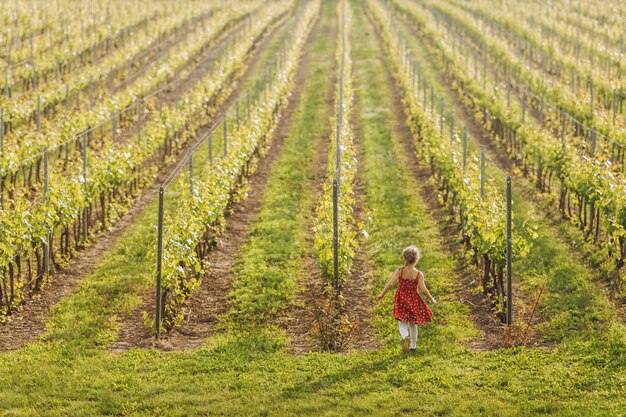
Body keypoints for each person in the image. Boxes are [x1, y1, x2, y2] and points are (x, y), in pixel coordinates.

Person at [377, 246, 436, 353]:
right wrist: (432, 299)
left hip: (401, 299)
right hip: (414, 300)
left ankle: (405, 337)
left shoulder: (400, 271)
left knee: (402, 322)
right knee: (413, 324)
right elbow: (423, 289)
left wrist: (382, 294)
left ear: (404, 259)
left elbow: (390, 284)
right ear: (417, 259)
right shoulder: (418, 274)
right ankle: (413, 347)